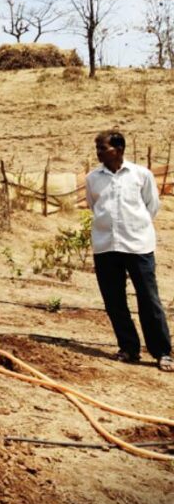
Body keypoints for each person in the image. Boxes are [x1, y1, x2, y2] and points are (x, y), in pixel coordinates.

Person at [85, 129, 173, 372]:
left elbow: (151, 207)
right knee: (114, 301)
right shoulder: (93, 178)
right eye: (97, 148)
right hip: (105, 246)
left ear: (119, 149)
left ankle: (162, 352)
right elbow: (94, 206)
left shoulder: (141, 175)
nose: (99, 153)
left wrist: (133, 227)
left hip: (138, 245)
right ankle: (128, 348)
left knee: (149, 299)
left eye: (103, 148)